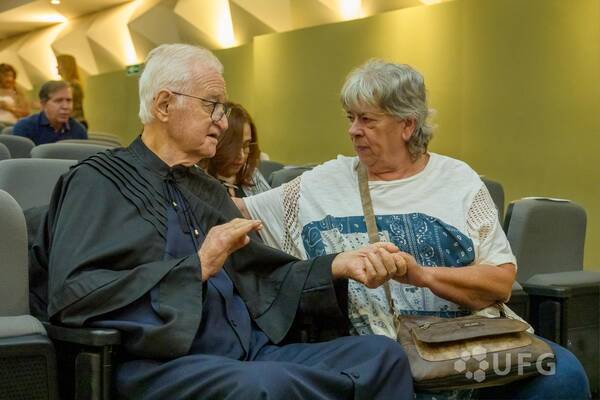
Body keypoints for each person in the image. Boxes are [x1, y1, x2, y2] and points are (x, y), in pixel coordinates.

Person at [38, 44, 413, 399]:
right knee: (266, 385)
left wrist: (335, 265)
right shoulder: (98, 181)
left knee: (381, 356)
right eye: (212, 106)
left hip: (250, 353)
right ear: (164, 105)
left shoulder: (206, 190)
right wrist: (197, 266)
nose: (222, 120)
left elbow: (263, 277)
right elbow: (75, 294)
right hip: (162, 364)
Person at [238, 59, 591, 399]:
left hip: (465, 347)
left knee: (563, 376)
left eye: (367, 119)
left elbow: (499, 282)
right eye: (350, 118)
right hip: (372, 356)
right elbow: (237, 211)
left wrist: (421, 275)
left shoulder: (459, 181)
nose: (353, 130)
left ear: (407, 125)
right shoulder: (322, 183)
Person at [203, 101, 270, 197]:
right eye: (234, 147)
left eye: (246, 145)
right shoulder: (198, 182)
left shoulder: (252, 175)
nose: (241, 156)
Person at [13, 80, 87, 145]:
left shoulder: (79, 131)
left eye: (69, 100)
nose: (65, 106)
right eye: (58, 101)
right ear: (43, 104)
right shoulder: (24, 127)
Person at [56, 54, 87, 128]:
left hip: (76, 122)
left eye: (59, 64)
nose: (57, 67)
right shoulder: (66, 85)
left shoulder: (74, 84)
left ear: (66, 66)